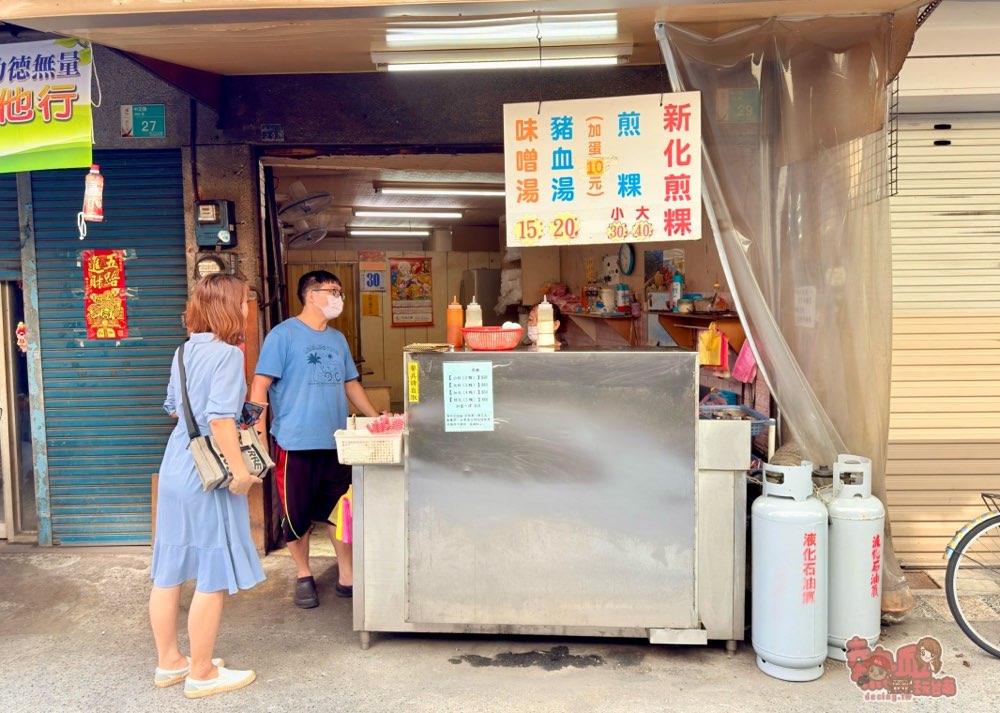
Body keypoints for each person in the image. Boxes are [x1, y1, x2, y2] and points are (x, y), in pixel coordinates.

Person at [149, 273, 263, 700]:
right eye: (246, 301)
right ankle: (202, 673)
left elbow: (176, 411)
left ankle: (170, 662)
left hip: (177, 464)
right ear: (232, 307)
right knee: (212, 573)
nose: (249, 308)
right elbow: (218, 420)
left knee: (169, 571)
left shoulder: (183, 352)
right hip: (207, 474)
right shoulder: (228, 355)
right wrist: (240, 471)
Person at [250, 270, 379, 609]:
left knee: (342, 512)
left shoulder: (338, 340)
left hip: (336, 442)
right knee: (297, 516)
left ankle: (347, 575)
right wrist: (259, 436)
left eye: (339, 292)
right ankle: (303, 574)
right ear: (310, 295)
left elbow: (351, 384)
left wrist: (376, 418)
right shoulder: (283, 336)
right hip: (295, 444)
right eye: (332, 291)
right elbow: (260, 385)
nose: (338, 297)